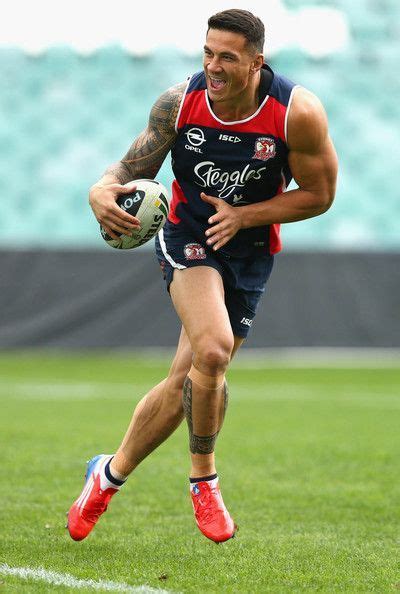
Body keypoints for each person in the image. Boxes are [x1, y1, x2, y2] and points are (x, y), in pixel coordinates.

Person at [67, 8, 338, 544]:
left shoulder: (296, 112)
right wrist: (100, 187)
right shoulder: (179, 102)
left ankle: (109, 473)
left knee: (184, 383)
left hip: (250, 248)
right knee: (212, 351)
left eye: (228, 57)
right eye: (207, 53)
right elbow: (130, 169)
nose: (213, 66)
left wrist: (245, 215)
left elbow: (320, 195)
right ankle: (204, 481)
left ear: (257, 61)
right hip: (186, 232)